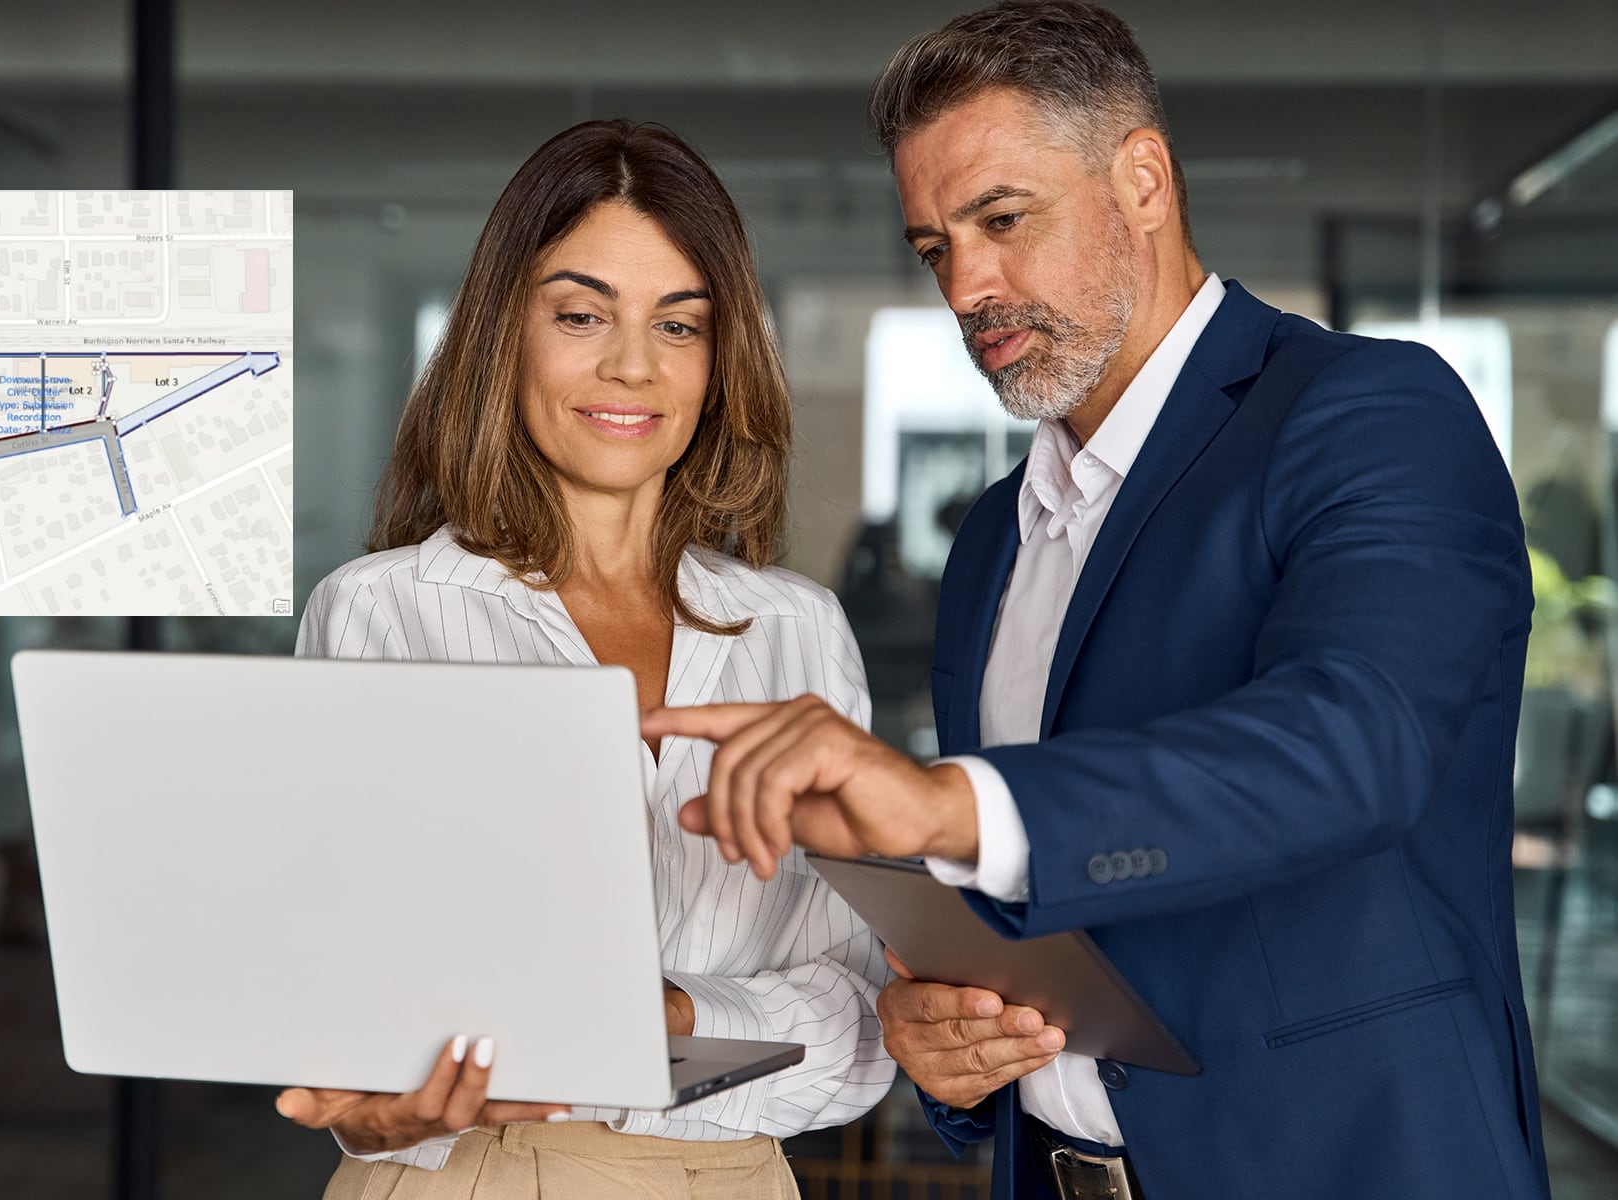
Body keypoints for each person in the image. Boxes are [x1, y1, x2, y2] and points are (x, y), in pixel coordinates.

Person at [643, 4, 1551, 1198]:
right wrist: (944, 1050)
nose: (967, 286)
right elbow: (1037, 921)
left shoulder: (1368, 412)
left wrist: (943, 803)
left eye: (1002, 219)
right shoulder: (991, 539)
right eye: (933, 248)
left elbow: (1354, 744)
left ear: (1142, 179)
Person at [279, 118, 898, 1198]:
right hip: (462, 1179)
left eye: (679, 324)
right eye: (581, 314)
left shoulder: (798, 632)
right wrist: (378, 1111)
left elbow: (857, 1028)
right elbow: (335, 1001)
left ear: (720, 357)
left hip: (735, 1181)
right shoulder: (382, 614)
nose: (631, 365)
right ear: (502, 334)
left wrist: (671, 1019)